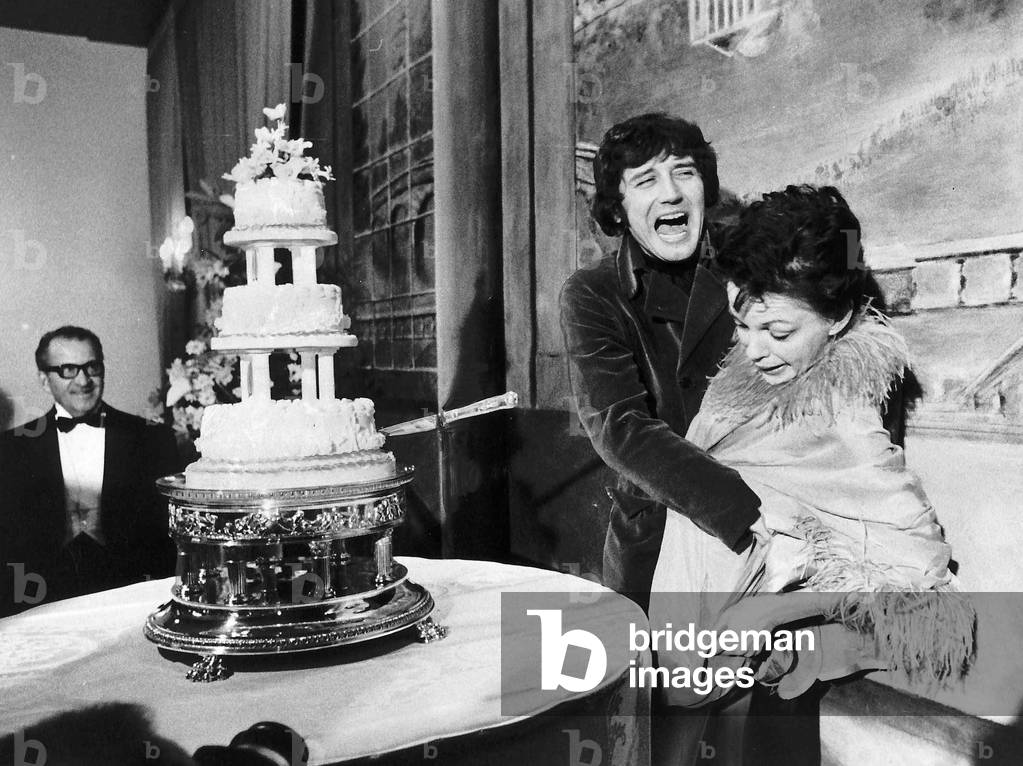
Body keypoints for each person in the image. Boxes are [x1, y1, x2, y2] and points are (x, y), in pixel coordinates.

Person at [648, 186, 974, 764]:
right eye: (741, 327)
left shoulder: (843, 420)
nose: (751, 350)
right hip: (684, 636)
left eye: (777, 333)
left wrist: (769, 613)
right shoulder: (740, 383)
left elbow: (923, 575)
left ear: (840, 317)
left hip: (733, 660)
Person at [559, 113, 764, 613]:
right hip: (665, 537)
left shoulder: (748, 268)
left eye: (684, 172)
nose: (671, 193)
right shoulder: (592, 294)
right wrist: (747, 513)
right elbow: (620, 428)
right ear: (619, 208)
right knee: (657, 685)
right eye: (646, 180)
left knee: (776, 679)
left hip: (776, 522)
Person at [0, 326, 181, 616]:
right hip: (42, 606)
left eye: (91, 367)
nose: (83, 380)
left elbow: (170, 538)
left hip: (131, 600)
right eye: (68, 369)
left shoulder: (153, 439)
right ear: (44, 380)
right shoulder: (9, 449)